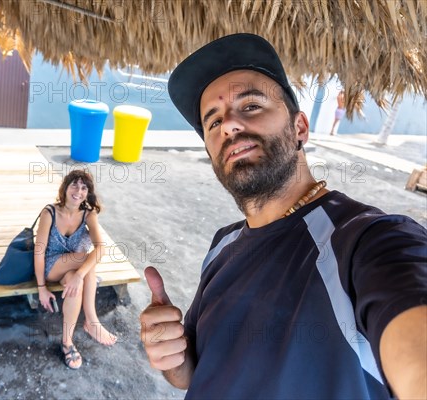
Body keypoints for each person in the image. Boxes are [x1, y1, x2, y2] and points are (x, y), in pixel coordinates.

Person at [140, 33, 426, 399]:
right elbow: (195, 372)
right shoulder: (222, 244)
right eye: (212, 122)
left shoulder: (367, 242)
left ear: (299, 128)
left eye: (252, 106)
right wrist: (173, 360)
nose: (228, 125)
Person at [35, 169, 117, 370]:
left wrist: (77, 276)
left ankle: (67, 342)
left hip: (72, 269)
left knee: (77, 283)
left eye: (83, 187)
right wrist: (41, 288)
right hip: (51, 265)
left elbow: (101, 247)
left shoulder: (88, 214)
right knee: (86, 260)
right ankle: (91, 320)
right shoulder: (50, 213)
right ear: (65, 188)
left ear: (87, 193)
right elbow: (38, 252)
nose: (78, 191)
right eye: (74, 185)